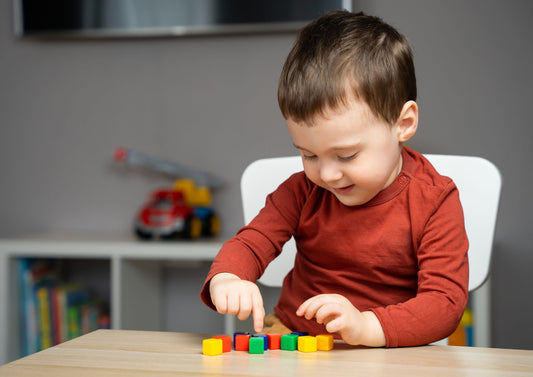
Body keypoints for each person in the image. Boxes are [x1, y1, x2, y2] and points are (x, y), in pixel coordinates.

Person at [200, 10, 468, 347]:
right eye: (308, 154)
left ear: (403, 124)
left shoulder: (435, 200)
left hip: (389, 345)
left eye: (346, 156)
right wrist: (226, 279)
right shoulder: (301, 191)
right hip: (294, 335)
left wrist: (366, 326)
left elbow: (443, 304)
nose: (325, 174)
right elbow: (250, 243)